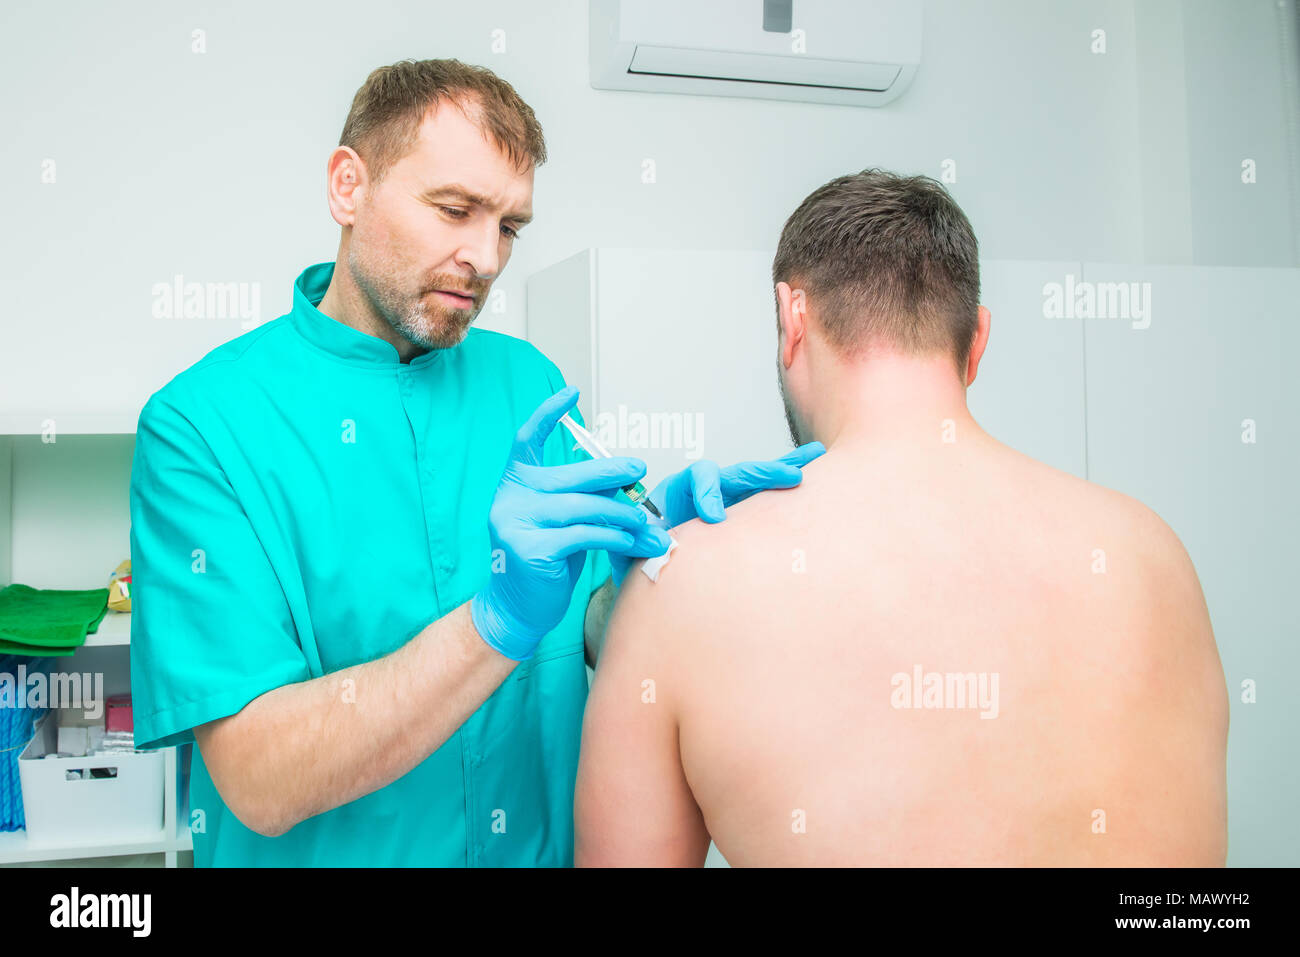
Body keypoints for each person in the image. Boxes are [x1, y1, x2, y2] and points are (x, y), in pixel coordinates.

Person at [128, 58, 821, 866]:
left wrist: (652, 578)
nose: (486, 257)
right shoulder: (202, 427)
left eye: (509, 226)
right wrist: (494, 622)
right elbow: (260, 776)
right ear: (348, 187)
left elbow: (589, 627)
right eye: (454, 210)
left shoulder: (528, 382)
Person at [574, 170, 1229, 867]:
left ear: (794, 318)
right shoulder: (1150, 556)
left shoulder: (685, 581)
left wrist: (643, 603)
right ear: (976, 340)